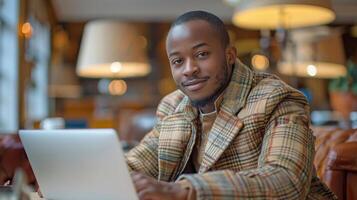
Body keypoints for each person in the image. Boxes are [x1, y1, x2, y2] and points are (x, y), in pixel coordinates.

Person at [126, 10, 336, 200]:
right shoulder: (173, 105)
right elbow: (140, 162)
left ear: (230, 55)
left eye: (201, 54)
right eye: (178, 61)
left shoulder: (277, 98)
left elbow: (286, 181)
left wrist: (183, 191)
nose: (189, 69)